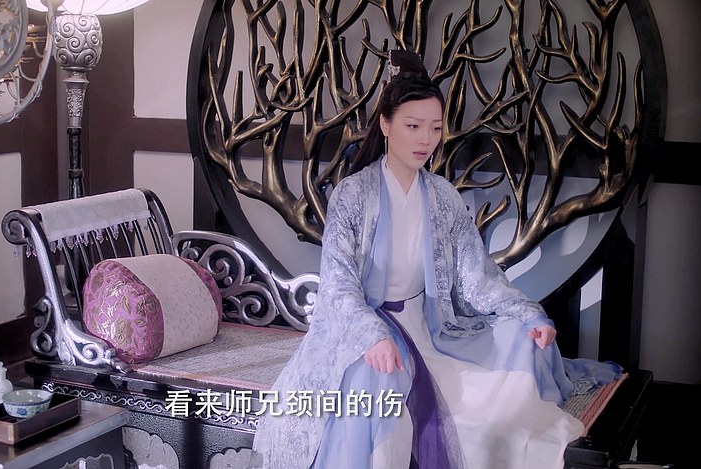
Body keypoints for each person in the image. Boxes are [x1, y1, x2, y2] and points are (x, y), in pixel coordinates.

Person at [249, 49, 622, 469]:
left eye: (435, 128)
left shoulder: (442, 196)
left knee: (519, 338)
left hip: (430, 324)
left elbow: (476, 276)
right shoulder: (353, 195)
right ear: (386, 124)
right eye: (413, 126)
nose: (425, 140)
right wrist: (371, 335)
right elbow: (338, 283)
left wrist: (525, 312)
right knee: (379, 379)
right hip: (361, 327)